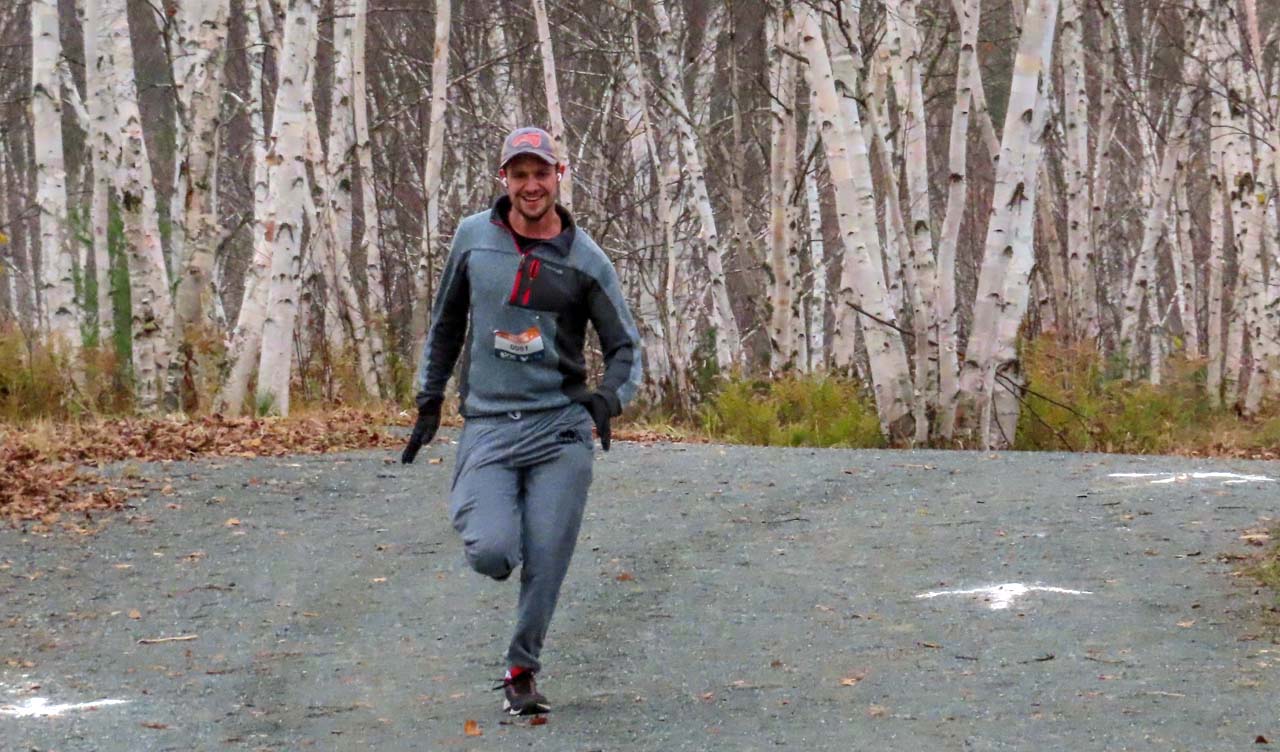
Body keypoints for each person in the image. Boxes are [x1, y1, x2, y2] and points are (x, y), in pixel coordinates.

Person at [401, 126, 642, 716]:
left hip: (560, 429)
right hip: (489, 423)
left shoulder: (585, 259)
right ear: (503, 179)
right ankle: (488, 529)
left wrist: (607, 400)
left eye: (541, 174)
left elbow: (625, 348)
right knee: (493, 552)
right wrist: (429, 401)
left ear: (560, 177)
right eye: (519, 174)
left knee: (547, 554)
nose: (531, 186)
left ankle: (521, 670)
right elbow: (446, 325)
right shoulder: (473, 239)